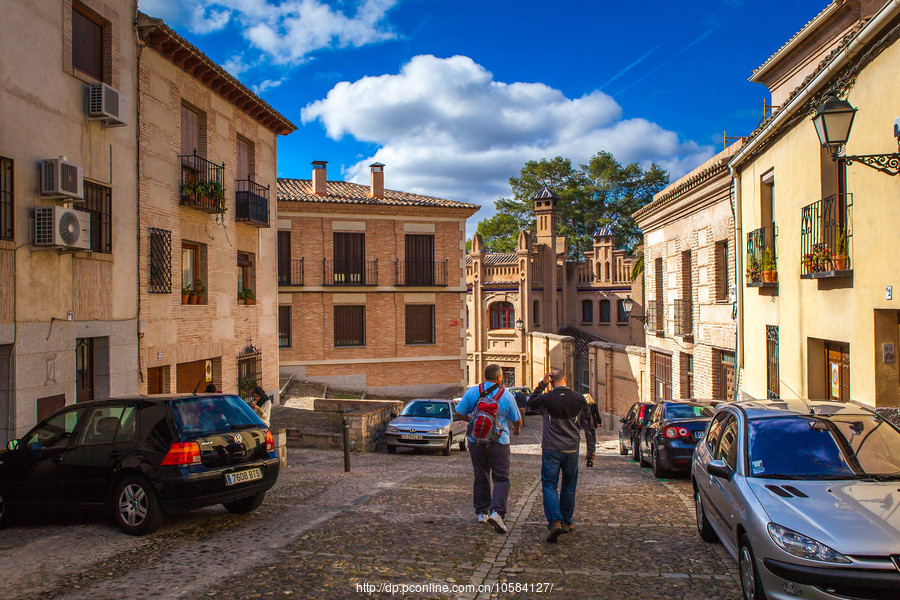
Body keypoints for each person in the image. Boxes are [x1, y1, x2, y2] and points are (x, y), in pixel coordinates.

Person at [455, 363, 523, 534]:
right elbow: (517, 418)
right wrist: (517, 429)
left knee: (481, 474)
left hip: (476, 441)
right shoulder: (506, 395)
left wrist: (471, 419)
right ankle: (497, 512)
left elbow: (459, 411)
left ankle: (481, 511)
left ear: (484, 376)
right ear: (500, 377)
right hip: (499, 442)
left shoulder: (472, 392)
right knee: (501, 478)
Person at [527, 368, 587, 543]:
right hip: (571, 449)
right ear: (566, 379)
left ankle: (555, 522)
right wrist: (591, 450)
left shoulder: (547, 398)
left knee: (549, 485)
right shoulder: (579, 398)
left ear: (551, 381)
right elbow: (587, 424)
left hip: (551, 449)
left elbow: (531, 403)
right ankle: (567, 522)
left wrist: (542, 384)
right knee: (569, 486)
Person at [581, 393, 602, 467]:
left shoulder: (583, 406)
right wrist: (600, 422)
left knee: (590, 439)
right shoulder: (594, 405)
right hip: (593, 425)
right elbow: (597, 415)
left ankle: (590, 456)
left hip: (586, 424)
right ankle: (591, 455)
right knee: (592, 439)